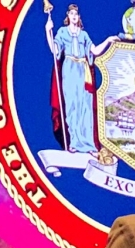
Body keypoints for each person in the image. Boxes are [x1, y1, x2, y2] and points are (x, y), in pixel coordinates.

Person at [45, 4, 114, 154]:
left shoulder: (84, 35)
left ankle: (88, 144)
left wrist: (108, 40)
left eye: (76, 14)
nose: (74, 16)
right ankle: (74, 143)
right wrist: (48, 30)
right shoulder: (63, 32)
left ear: (79, 17)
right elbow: (55, 50)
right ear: (68, 16)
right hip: (69, 69)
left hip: (83, 71)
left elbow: (94, 51)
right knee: (72, 106)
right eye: (71, 13)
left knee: (86, 108)